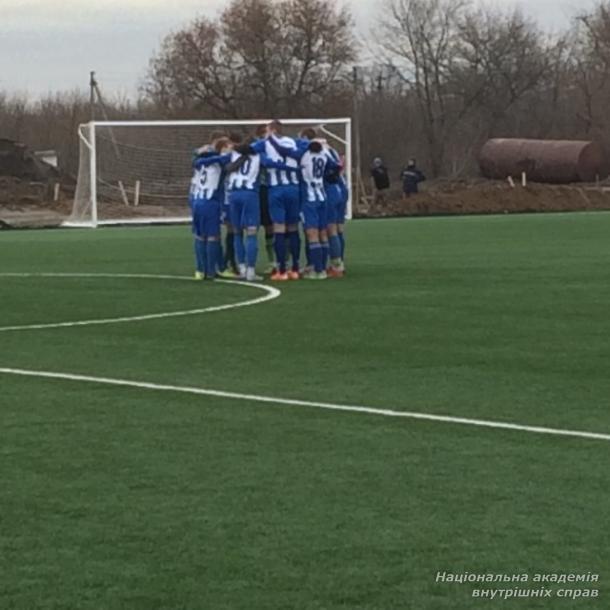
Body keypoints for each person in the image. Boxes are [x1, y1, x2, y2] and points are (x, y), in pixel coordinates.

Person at [269, 129, 339, 280]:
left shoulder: (303, 155)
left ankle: (318, 270)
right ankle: (323, 268)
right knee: (322, 233)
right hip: (322, 196)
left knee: (312, 233)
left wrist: (272, 138)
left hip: (310, 199)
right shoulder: (324, 154)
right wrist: (331, 176)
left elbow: (283, 150)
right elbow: (336, 166)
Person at [190, 137, 233, 280]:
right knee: (212, 236)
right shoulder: (221, 160)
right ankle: (210, 271)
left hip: (197, 200)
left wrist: (200, 152)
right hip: (210, 202)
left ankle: (200, 270)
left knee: (200, 235)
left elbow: (196, 158)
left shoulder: (200, 162)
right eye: (229, 146)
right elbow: (230, 158)